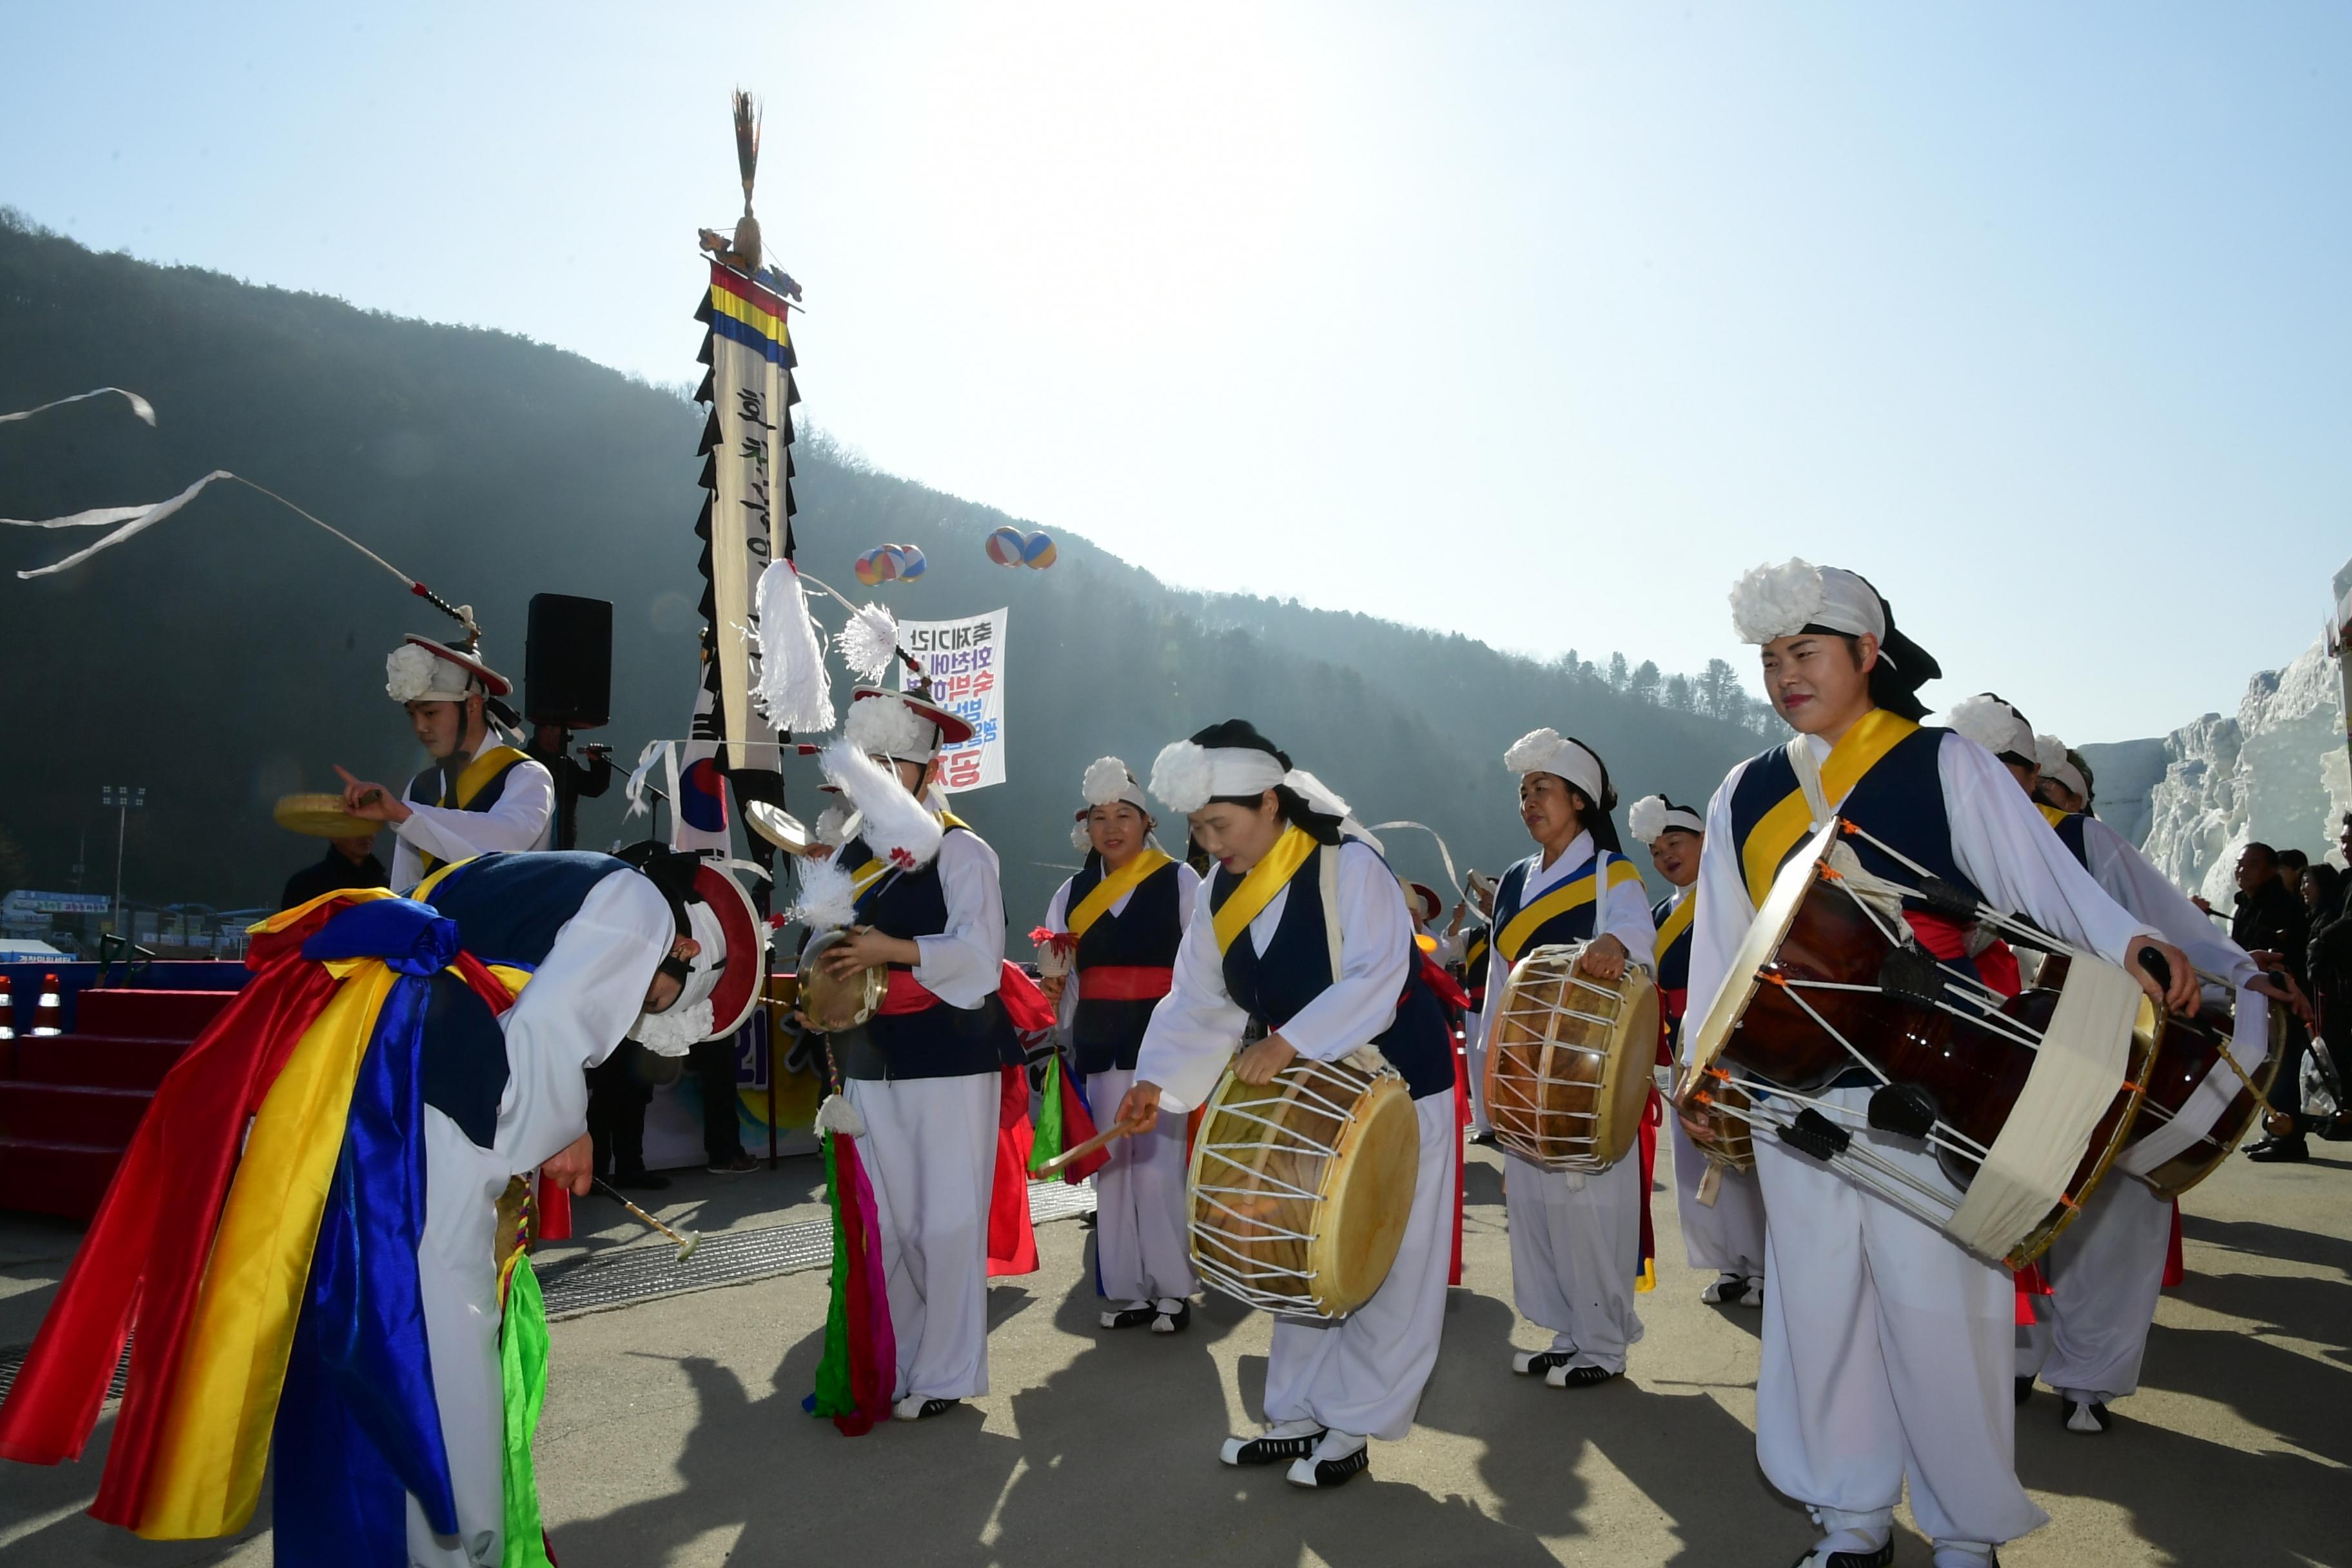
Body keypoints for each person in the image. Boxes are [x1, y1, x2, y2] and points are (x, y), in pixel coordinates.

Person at [0, 846, 764, 1565]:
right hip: (429, 1085)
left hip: (352, 1070)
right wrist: (562, 1132)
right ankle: (461, 1545)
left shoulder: (509, 870)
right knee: (446, 1329)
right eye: (655, 996)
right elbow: (548, 1033)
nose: (637, 1007)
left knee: (356, 1319)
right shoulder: (641, 907)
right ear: (686, 949)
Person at [1685, 560, 2196, 1568]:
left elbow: (2045, 882)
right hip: (1793, 1091)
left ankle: (1966, 1529)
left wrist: (2130, 941)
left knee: (1937, 1310)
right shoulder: (1743, 794)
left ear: (1868, 655)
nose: (1787, 674)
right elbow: (1725, 946)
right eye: (1772, 658)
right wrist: (1707, 1067)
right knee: (1819, 1307)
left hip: (1935, 1082)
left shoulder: (1943, 763)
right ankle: (1851, 1518)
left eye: (1808, 652)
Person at [1117, 720, 1458, 1489]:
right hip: (1305, 1099)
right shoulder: (1218, 891)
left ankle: (1356, 1420)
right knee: (1298, 1246)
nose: (1211, 842)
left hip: (1399, 1088)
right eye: (1198, 829)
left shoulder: (1349, 861)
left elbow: (1378, 972)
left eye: (1221, 824)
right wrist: (1156, 1084)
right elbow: (1197, 1000)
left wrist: (1291, 1040)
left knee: (1385, 1253)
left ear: (1271, 801)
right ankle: (1299, 1409)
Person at [2004, 717, 2275, 1431]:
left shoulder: (2086, 841)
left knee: (2112, 1210)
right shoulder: (1958, 836)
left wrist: (2240, 974)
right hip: (2006, 1047)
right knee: (2011, 1211)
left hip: (2107, 1035)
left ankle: (2089, 1376)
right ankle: (2015, 1353)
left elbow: (2176, 930)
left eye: (2020, 771)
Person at [804, 686, 1019, 1422]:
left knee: (946, 1220)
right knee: (885, 1220)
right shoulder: (851, 855)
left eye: (889, 767)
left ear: (925, 771)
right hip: (869, 1054)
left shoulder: (964, 850)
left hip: (952, 1053)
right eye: (866, 768)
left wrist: (890, 948)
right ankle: (893, 1359)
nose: (875, 783)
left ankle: (950, 1369)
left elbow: (981, 959)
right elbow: (824, 951)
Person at [1473, 729, 1656, 1388]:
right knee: (1536, 1209)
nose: (1529, 802)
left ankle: (1603, 1344)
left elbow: (1640, 935)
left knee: (1590, 1211)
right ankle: (1564, 1330)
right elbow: (1499, 985)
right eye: (1522, 792)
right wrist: (1488, 1087)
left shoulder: (1612, 872)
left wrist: (1614, 938)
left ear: (1579, 799)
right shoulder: (1515, 881)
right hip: (1525, 1073)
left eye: (1541, 789)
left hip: (1586, 1075)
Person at [1038, 756, 1202, 1333]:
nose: (1112, 827)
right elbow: (1064, 975)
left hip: (1161, 1044)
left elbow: (1203, 965)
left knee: (1158, 1169)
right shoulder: (1073, 891)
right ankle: (1128, 1290)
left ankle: (1174, 1290)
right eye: (1101, 817)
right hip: (1102, 1040)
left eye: (1124, 815)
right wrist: (1055, 996)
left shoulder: (1181, 879)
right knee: (1114, 1167)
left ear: (1146, 821)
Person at [1632, 792, 1766, 1309]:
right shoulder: (1659, 911)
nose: (1667, 854)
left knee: (1741, 1152)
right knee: (1695, 1159)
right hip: (1681, 1045)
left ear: (1706, 841)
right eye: (1657, 848)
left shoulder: (1733, 894)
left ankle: (1764, 1267)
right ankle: (1727, 1261)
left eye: (1677, 841)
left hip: (1733, 1039)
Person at [335, 634, 554, 889]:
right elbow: (407, 888)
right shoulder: (421, 787)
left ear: (472, 706)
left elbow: (505, 846)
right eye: (411, 714)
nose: (420, 727)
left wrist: (404, 814)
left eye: (430, 713)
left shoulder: (527, 776)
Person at [2227, 842, 2313, 1162]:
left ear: (2271, 870)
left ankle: (2289, 1139)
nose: (2242, 870)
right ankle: (2274, 1130)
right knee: (2271, 1068)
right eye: (2240, 864)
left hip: (2281, 999)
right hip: (2258, 999)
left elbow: (2285, 953)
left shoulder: (2280, 904)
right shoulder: (2248, 903)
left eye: (2251, 865)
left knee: (2285, 1066)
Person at [277, 830, 388, 910]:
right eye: (355, 826)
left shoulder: (385, 886)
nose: (366, 834)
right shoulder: (304, 885)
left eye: (369, 826)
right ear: (334, 835)